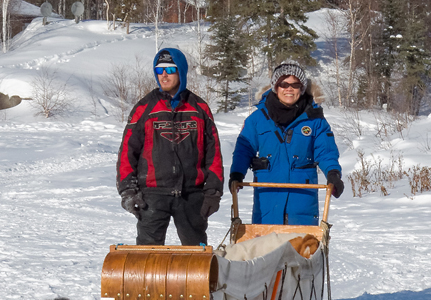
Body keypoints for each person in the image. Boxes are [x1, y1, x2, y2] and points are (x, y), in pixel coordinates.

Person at [116, 48, 224, 246]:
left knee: (196, 259)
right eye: (159, 70)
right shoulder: (144, 107)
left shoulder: (199, 108)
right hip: (152, 196)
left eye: (170, 69)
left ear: (181, 71)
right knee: (148, 259)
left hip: (192, 195)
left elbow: (213, 153)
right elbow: (127, 152)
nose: (164, 75)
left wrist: (213, 192)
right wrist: (128, 191)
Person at [229, 60, 343, 225]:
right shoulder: (257, 119)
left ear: (302, 88)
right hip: (268, 199)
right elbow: (244, 149)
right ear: (276, 86)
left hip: (302, 199)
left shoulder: (315, 120)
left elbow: (326, 151)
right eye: (284, 83)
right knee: (266, 247)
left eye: (295, 85)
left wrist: (333, 173)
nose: (289, 88)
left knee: (302, 248)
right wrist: (237, 174)